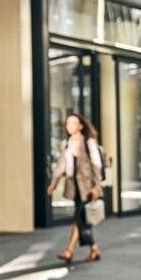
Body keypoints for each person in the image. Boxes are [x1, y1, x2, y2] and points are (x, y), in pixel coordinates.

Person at [47, 113, 104, 264]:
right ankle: (94, 249)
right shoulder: (67, 144)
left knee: (79, 218)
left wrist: (98, 186)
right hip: (75, 187)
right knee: (83, 219)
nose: (69, 126)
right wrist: (53, 184)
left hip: (88, 187)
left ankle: (69, 250)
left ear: (81, 126)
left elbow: (97, 165)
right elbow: (60, 167)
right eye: (68, 124)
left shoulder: (89, 142)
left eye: (73, 123)